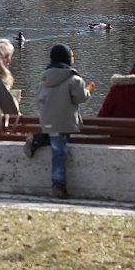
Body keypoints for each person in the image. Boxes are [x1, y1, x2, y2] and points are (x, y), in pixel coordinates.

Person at [24, 43, 91, 199]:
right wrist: (87, 92)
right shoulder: (74, 80)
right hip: (65, 122)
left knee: (56, 140)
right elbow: (80, 98)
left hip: (47, 120)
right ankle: (58, 185)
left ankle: (38, 138)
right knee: (59, 152)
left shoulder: (44, 79)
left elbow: (38, 99)